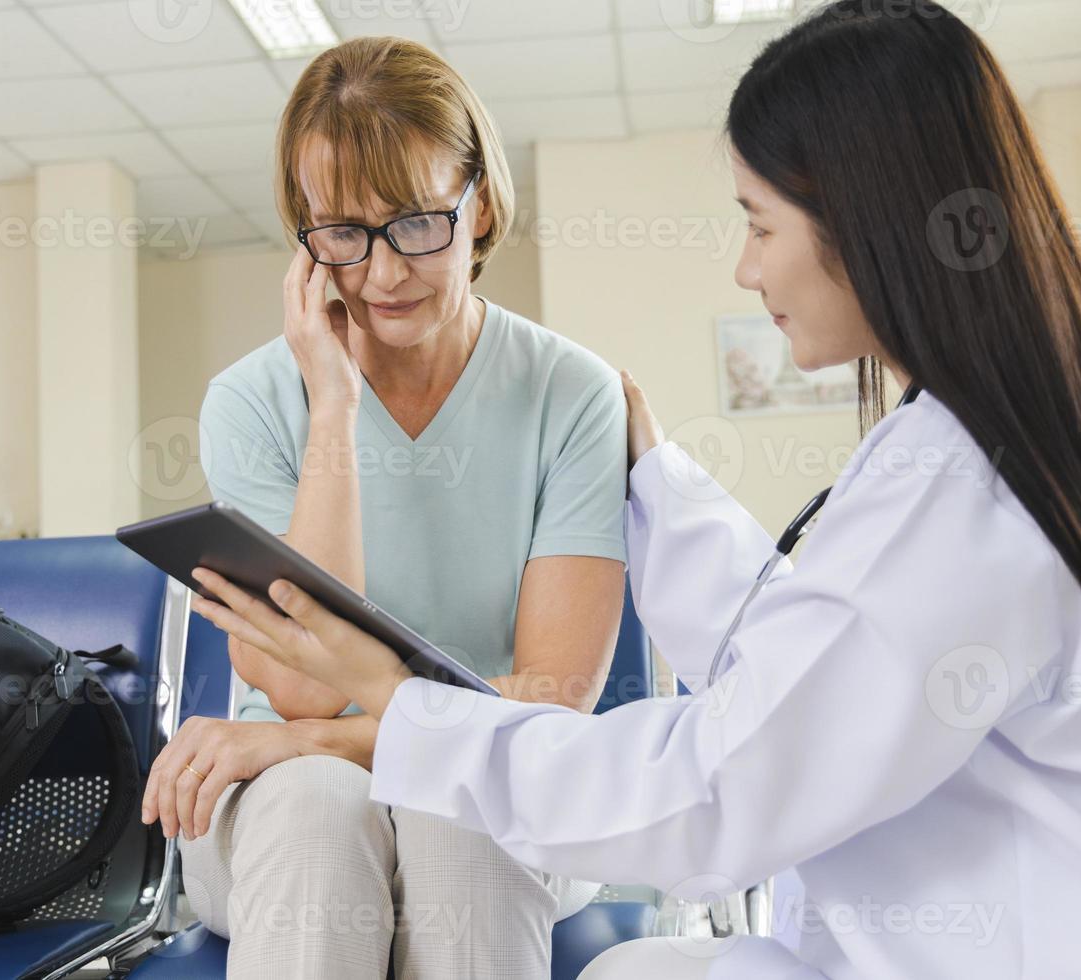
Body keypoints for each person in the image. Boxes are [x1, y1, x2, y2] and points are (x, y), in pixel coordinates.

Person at [187, 2, 1081, 976]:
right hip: (979, 928)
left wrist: (383, 700)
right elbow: (801, 655)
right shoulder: (971, 449)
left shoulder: (965, 500)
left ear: (867, 228)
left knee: (512, 871)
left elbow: (717, 785)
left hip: (1034, 945)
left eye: (761, 223)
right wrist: (657, 480)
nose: (746, 268)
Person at [140, 36, 628, 979]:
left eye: (417, 224)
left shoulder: (573, 394)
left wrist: (299, 736)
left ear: (478, 200)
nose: (384, 272)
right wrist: (333, 402)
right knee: (319, 808)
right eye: (345, 234)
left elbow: (548, 707)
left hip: (500, 782)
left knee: (463, 811)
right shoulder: (252, 402)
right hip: (286, 789)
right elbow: (303, 687)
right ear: (307, 238)